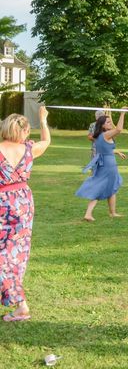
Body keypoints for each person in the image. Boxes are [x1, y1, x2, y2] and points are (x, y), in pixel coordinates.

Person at [0, 107, 51, 322]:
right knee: (16, 251)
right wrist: (43, 120)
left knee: (4, 255)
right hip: (23, 202)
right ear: (25, 131)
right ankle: (19, 302)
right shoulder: (29, 149)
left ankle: (21, 304)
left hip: (2, 201)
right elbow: (46, 141)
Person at [76, 112, 128, 221]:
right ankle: (88, 214)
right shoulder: (105, 135)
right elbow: (119, 129)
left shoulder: (99, 136)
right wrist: (122, 114)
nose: (110, 123)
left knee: (111, 187)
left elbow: (106, 149)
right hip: (108, 165)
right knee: (101, 188)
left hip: (104, 162)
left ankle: (112, 213)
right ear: (103, 125)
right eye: (108, 122)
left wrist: (117, 152)